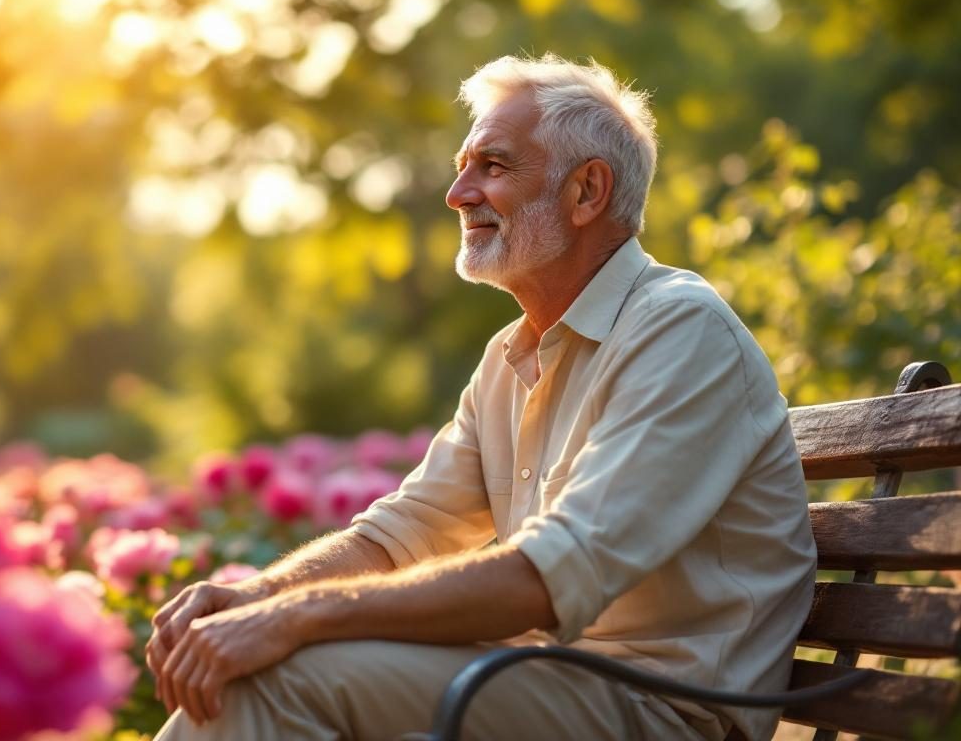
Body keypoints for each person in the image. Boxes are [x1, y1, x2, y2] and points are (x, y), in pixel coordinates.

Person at [146, 54, 817, 741]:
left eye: (492, 166)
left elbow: (550, 576)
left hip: (662, 714)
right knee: (256, 676)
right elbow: (401, 535)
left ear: (587, 192)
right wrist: (256, 596)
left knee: (279, 683)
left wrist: (296, 617)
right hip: (549, 685)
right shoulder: (509, 358)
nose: (458, 193)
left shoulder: (680, 330)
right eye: (463, 165)